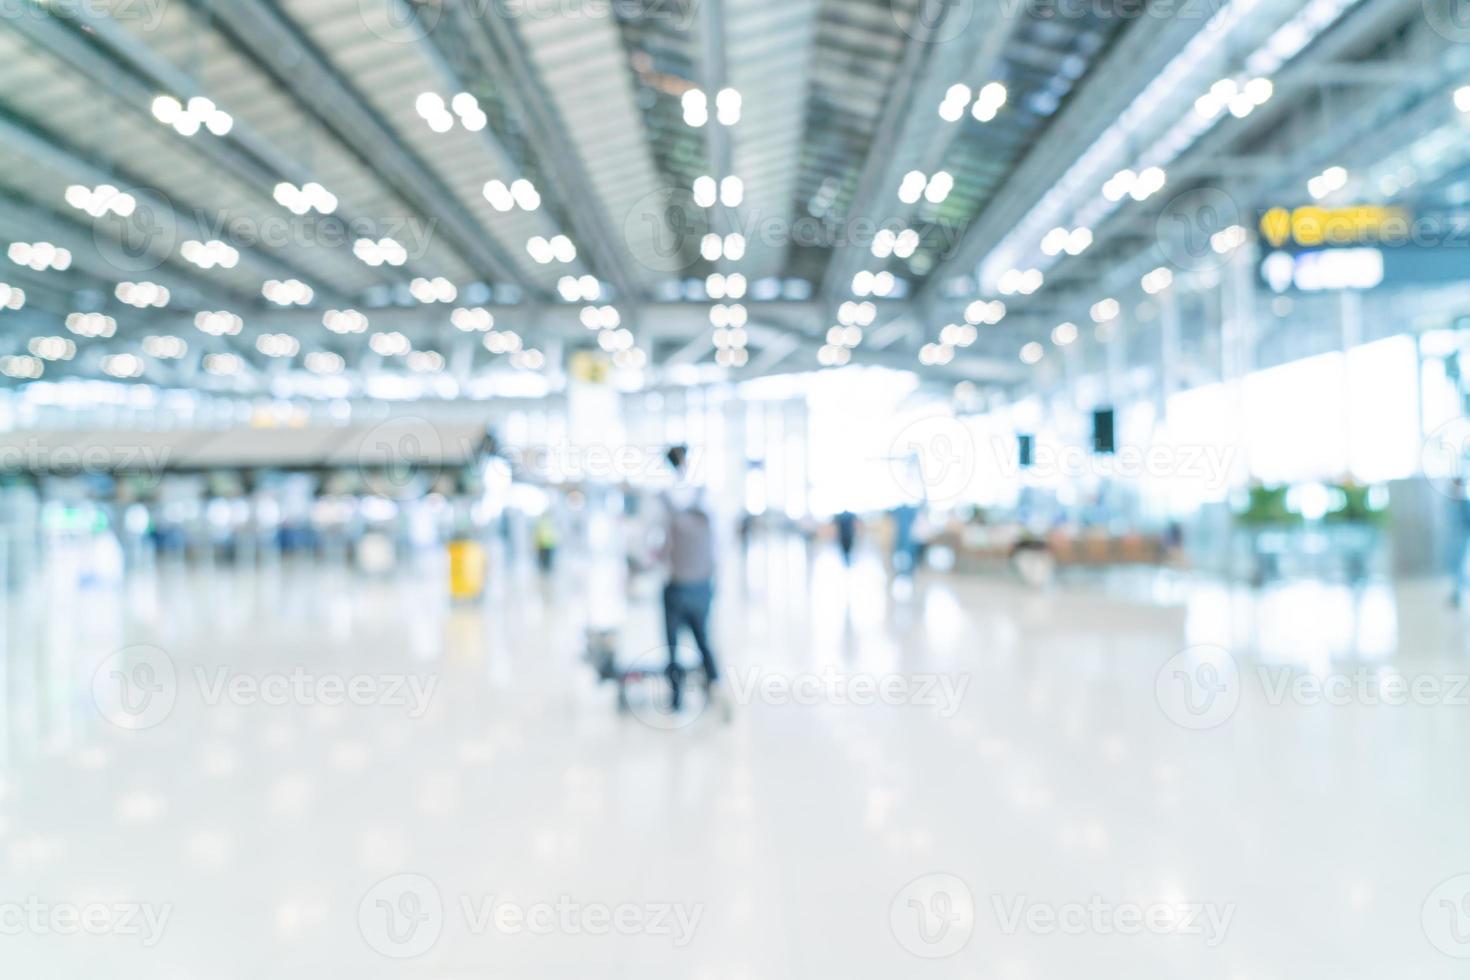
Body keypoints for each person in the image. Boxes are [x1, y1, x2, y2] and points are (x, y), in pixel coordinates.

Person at [659, 445, 728, 718]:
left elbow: (652, 546)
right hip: (702, 583)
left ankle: (676, 701)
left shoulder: (664, 498)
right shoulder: (706, 497)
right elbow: (721, 545)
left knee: (672, 646)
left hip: (675, 584)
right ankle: (715, 690)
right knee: (704, 640)